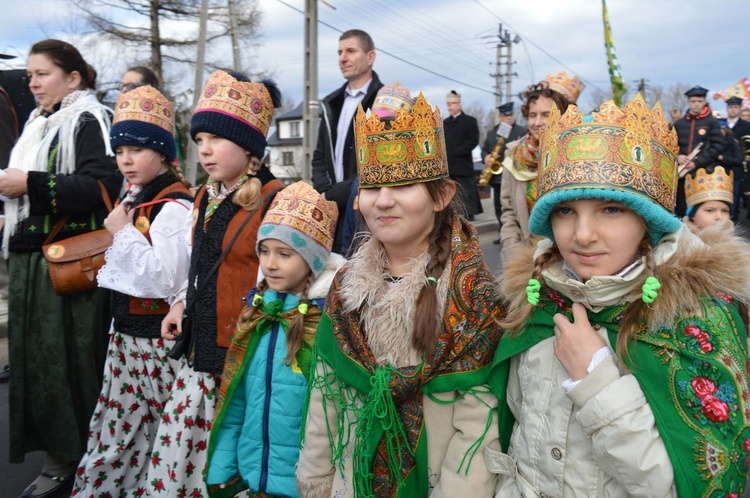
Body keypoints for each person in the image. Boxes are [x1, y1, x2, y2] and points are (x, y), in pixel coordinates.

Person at [488, 94, 750, 497]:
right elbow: (514, 440)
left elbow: (689, 483)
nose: (583, 234)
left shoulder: (694, 319)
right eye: (566, 211)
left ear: (648, 220)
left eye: (611, 209)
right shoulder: (534, 304)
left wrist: (596, 380)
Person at [297, 93, 502, 497]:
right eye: (373, 186)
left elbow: (479, 426)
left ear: (440, 196)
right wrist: (317, 481)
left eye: (404, 184)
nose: (384, 200)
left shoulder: (472, 295)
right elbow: (326, 398)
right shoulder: (346, 289)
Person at [148, 70, 286, 498]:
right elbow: (199, 266)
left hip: (239, 354)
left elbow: (278, 279)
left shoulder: (274, 198)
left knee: (229, 451)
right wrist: (179, 306)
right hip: (198, 348)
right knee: (183, 449)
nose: (205, 150)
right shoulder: (205, 195)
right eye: (200, 140)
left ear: (249, 147)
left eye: (217, 140)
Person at [0, 39, 122, 498]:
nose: (31, 83)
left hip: (69, 267)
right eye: (29, 74)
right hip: (32, 259)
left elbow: (101, 185)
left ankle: (74, 460)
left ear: (73, 78)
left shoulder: (89, 120)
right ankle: (61, 456)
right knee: (37, 364)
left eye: (42, 74)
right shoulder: (38, 123)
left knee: (67, 366)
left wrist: (27, 183)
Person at [71, 84, 193, 496]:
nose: (125, 159)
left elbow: (166, 281)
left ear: (162, 153)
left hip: (157, 346)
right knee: (118, 434)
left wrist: (123, 233)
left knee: (162, 433)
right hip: (125, 340)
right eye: (120, 149)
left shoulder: (173, 206)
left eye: (137, 149)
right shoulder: (136, 198)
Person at [205, 181, 344, 497]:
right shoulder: (258, 315)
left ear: (313, 259)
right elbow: (236, 398)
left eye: (285, 253)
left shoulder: (324, 322)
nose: (270, 263)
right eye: (264, 251)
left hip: (306, 482)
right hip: (256, 478)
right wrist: (223, 468)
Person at [499, 71, 582, 264]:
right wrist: (513, 254)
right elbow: (508, 212)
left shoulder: (580, 153)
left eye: (546, 114)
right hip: (528, 258)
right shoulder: (514, 155)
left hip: (571, 259)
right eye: (532, 115)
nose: (537, 122)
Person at [312, 29, 383, 253]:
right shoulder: (331, 102)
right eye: (340, 52)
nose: (342, 58)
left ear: (370, 57)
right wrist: (324, 192)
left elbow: (379, 159)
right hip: (332, 210)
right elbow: (320, 155)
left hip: (367, 209)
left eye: (351, 51)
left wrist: (338, 194)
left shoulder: (384, 102)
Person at [340, 82, 415, 256]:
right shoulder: (359, 184)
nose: (382, 136)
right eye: (376, 127)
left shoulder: (419, 184)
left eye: (390, 126)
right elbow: (349, 242)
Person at [673, 85, 724, 217]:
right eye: (693, 101)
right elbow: (671, 145)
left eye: (699, 101)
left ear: (704, 102)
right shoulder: (679, 124)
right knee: (681, 209)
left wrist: (697, 163)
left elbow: (718, 146)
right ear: (689, 102)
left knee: (700, 211)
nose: (696, 105)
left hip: (702, 174)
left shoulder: (712, 122)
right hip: (681, 175)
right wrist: (677, 156)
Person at [481, 101, 527, 244]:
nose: (509, 117)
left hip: (514, 174)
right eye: (505, 115)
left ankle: (520, 233)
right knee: (498, 206)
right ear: (500, 116)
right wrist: (486, 157)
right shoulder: (492, 132)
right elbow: (485, 149)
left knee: (516, 205)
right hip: (496, 176)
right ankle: (503, 233)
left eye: (511, 114)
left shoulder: (521, 131)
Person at [443, 89, 481, 219]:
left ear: (458, 105)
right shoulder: (445, 123)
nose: (449, 108)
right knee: (451, 188)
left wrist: (460, 151)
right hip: (450, 164)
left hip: (463, 162)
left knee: (466, 189)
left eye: (451, 105)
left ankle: (469, 213)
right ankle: (452, 212)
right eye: (448, 105)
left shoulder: (470, 121)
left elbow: (474, 139)